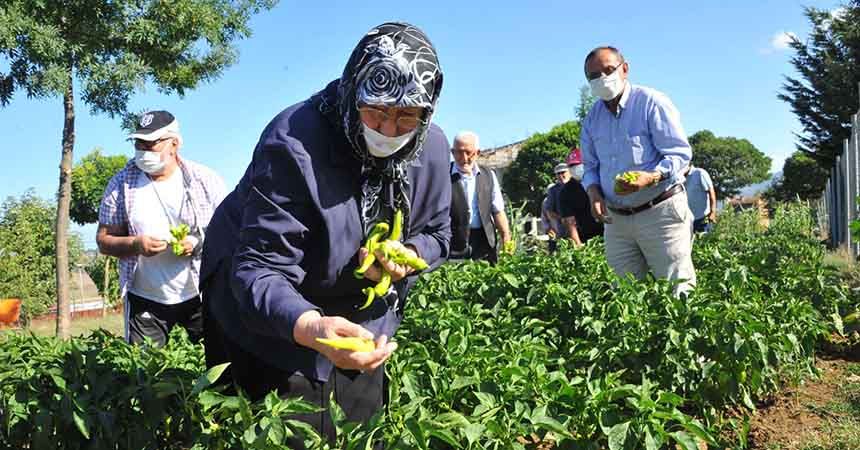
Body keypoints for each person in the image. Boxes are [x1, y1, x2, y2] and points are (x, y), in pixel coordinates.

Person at [199, 22, 450, 447]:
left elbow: (439, 234)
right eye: (377, 111)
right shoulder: (294, 142)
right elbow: (260, 269)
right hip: (265, 305)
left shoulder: (432, 148)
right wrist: (312, 326)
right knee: (282, 423)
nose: (388, 131)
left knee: (356, 425)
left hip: (356, 310)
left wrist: (405, 254)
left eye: (407, 115)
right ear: (353, 92)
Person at [97, 110, 226, 346]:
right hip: (146, 298)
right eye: (138, 143)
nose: (143, 150)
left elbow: (229, 230)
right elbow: (104, 240)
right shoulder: (120, 185)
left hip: (200, 293)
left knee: (218, 366)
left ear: (174, 144)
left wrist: (196, 242)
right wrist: (136, 244)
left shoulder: (205, 180)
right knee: (145, 373)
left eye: (151, 143)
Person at [579, 46, 695, 295]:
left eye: (608, 70)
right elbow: (590, 168)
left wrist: (651, 176)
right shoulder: (591, 120)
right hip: (617, 220)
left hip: (660, 212)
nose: (602, 79)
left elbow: (679, 153)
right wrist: (593, 193)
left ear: (625, 69)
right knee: (624, 297)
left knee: (677, 290)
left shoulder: (651, 102)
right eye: (594, 76)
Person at [449, 131, 512, 264]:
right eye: (459, 152)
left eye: (468, 152)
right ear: (452, 152)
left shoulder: (488, 175)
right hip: (454, 243)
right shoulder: (443, 175)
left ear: (477, 153)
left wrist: (506, 237)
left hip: (484, 242)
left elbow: (498, 210)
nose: (464, 158)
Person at [558, 148, 604, 245]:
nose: (575, 168)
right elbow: (569, 222)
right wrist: (578, 245)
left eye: (577, 165)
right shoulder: (566, 192)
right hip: (586, 237)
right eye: (571, 166)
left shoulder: (601, 180)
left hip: (609, 231)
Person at [684, 164, 717, 233]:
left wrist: (713, 212)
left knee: (705, 242)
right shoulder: (681, 177)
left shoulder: (700, 173)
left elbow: (711, 192)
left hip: (703, 218)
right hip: (689, 219)